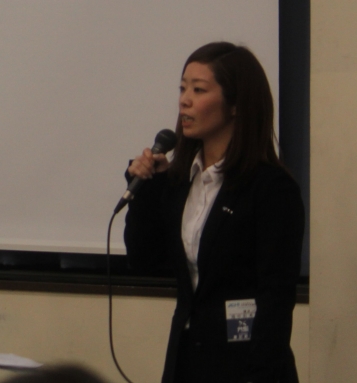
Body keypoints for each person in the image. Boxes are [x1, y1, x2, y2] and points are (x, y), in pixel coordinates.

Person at [123, 42, 304, 383]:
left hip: (248, 368)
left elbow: (276, 298)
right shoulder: (179, 182)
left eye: (199, 90)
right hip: (187, 362)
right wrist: (147, 188)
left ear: (235, 104)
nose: (185, 100)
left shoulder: (271, 188)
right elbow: (144, 259)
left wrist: (259, 374)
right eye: (182, 88)